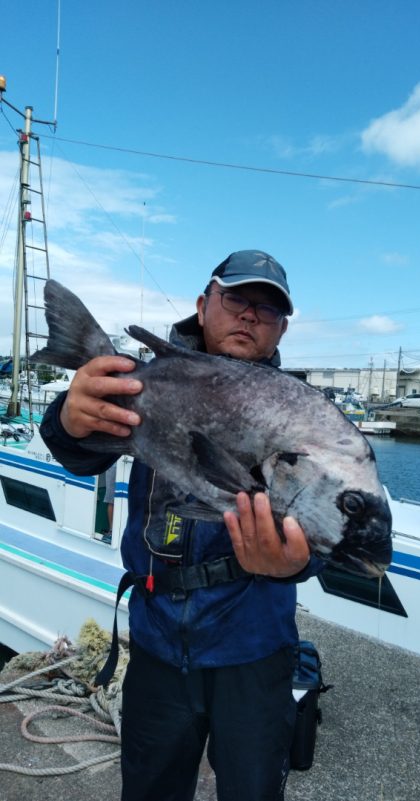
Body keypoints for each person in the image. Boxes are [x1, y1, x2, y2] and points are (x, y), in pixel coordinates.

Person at [40, 250, 324, 801]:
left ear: (282, 327)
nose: (249, 315)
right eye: (237, 298)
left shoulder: (302, 415)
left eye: (268, 309)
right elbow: (83, 456)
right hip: (156, 641)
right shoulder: (150, 381)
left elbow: (329, 523)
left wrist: (298, 563)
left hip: (257, 646)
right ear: (203, 304)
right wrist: (67, 419)